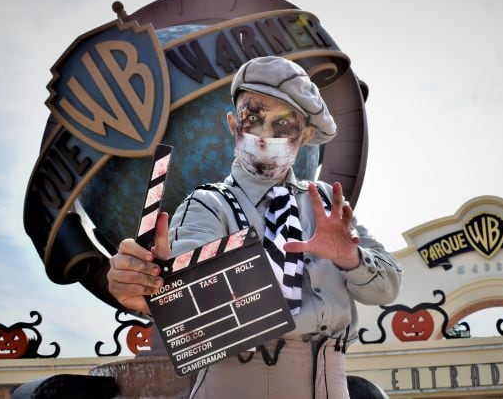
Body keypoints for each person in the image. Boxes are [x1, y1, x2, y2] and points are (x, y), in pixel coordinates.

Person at [107, 56, 403, 399]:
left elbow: (387, 287)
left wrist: (350, 257)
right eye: (253, 119)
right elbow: (189, 301)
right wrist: (159, 289)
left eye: (282, 125)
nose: (264, 135)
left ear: (305, 134)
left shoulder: (327, 205)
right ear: (234, 125)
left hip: (330, 385)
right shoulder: (207, 205)